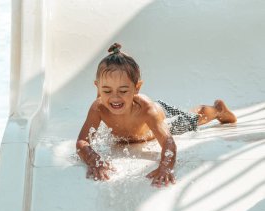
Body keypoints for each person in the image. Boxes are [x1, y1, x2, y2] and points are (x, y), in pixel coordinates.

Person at [76, 43, 237, 187]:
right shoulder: (98, 108)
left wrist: (165, 166)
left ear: (137, 87)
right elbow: (82, 141)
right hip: (150, 118)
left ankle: (217, 110)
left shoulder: (146, 110)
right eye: (106, 91)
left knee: (192, 119)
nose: (115, 97)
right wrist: (94, 160)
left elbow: (168, 143)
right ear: (97, 88)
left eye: (123, 91)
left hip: (161, 115)